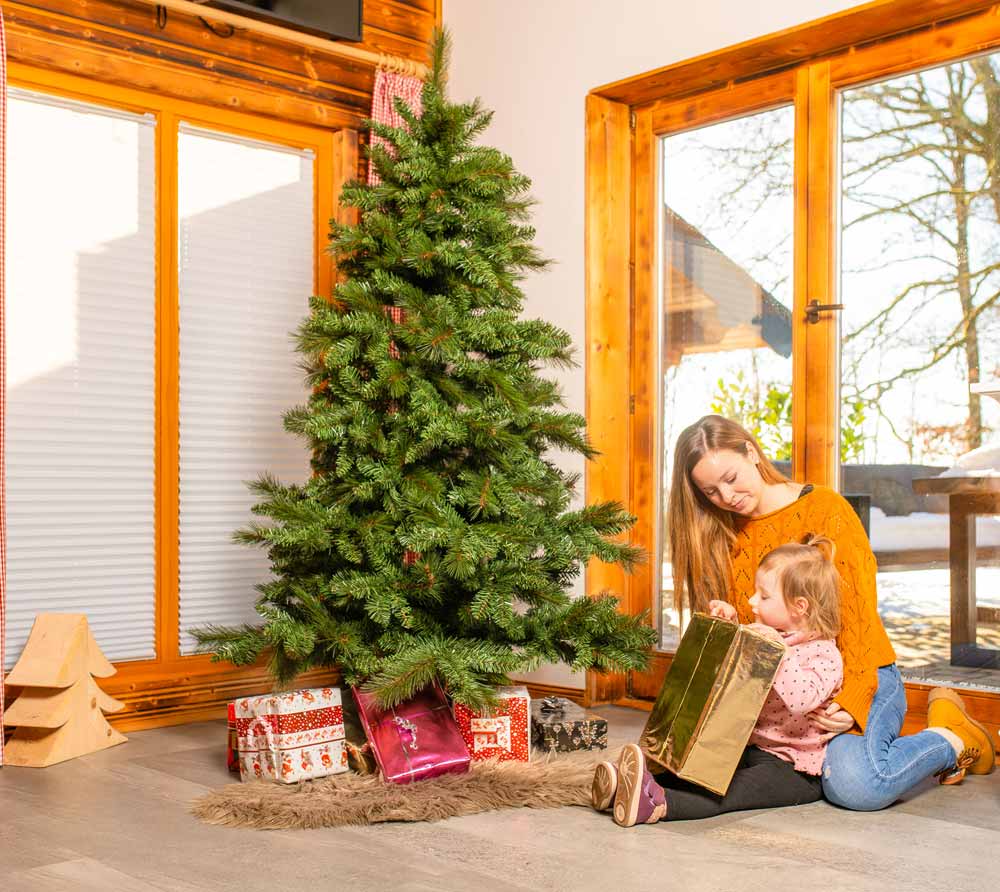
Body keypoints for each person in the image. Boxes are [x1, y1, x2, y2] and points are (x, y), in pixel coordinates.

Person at [656, 414, 993, 813]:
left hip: (855, 673)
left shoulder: (826, 510)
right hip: (785, 700)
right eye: (711, 491)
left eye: (731, 478)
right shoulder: (717, 534)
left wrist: (850, 702)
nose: (726, 496)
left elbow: (859, 622)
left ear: (750, 452)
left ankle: (950, 736)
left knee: (857, 787)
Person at [594, 533, 846, 825]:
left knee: (729, 793)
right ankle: (632, 788)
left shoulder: (824, 655)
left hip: (793, 768)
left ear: (799, 607)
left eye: (764, 596)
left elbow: (801, 700)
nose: (752, 601)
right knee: (701, 772)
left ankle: (657, 804)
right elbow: (738, 666)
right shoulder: (774, 635)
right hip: (749, 747)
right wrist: (732, 625)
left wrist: (776, 649)